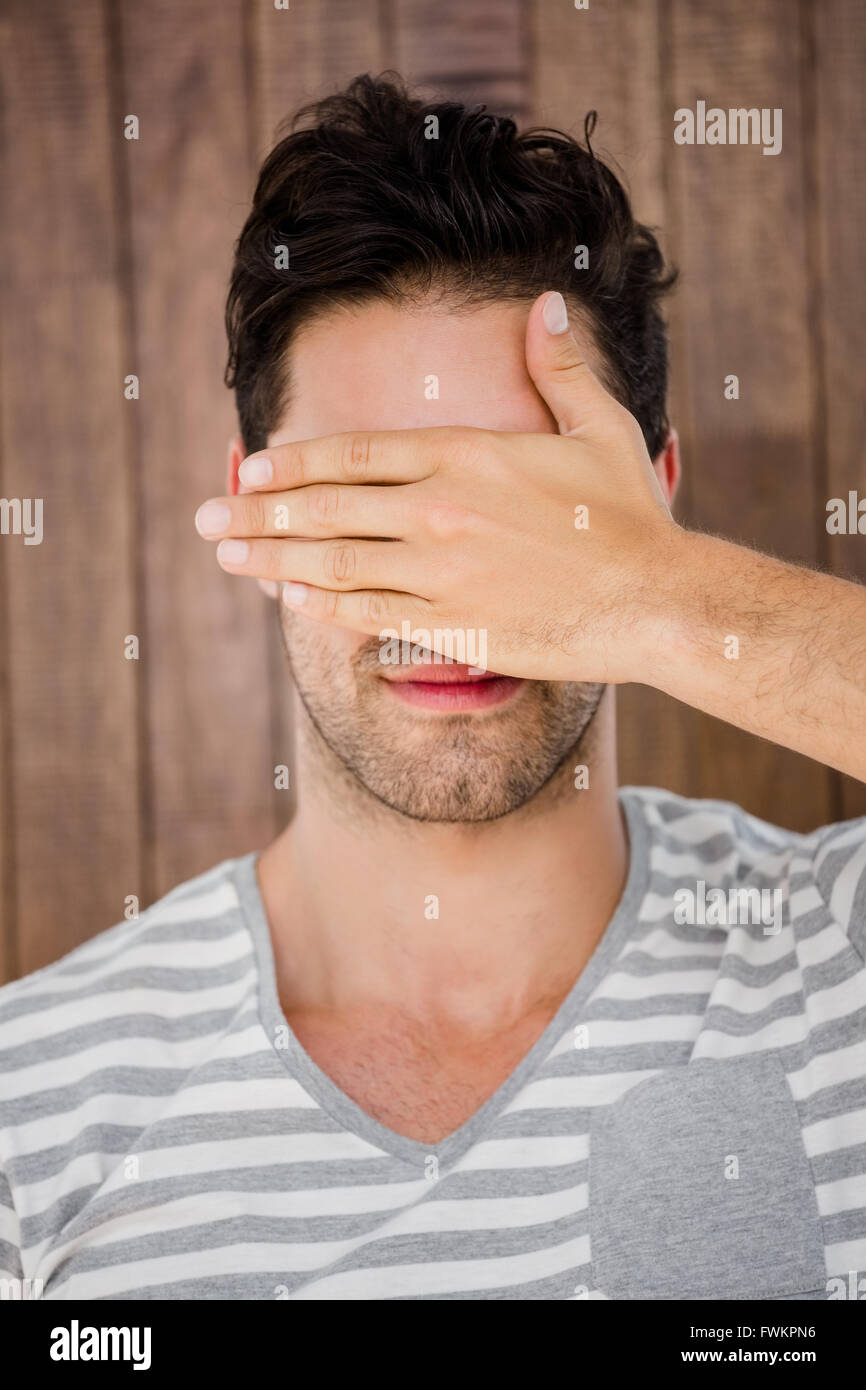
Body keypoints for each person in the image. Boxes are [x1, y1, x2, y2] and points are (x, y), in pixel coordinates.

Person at [1, 75, 864, 1302]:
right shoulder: (29, 1105)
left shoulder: (835, 954)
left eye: (523, 521)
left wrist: (655, 596)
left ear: (655, 497)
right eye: (372, 515)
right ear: (254, 518)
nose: (455, 598)